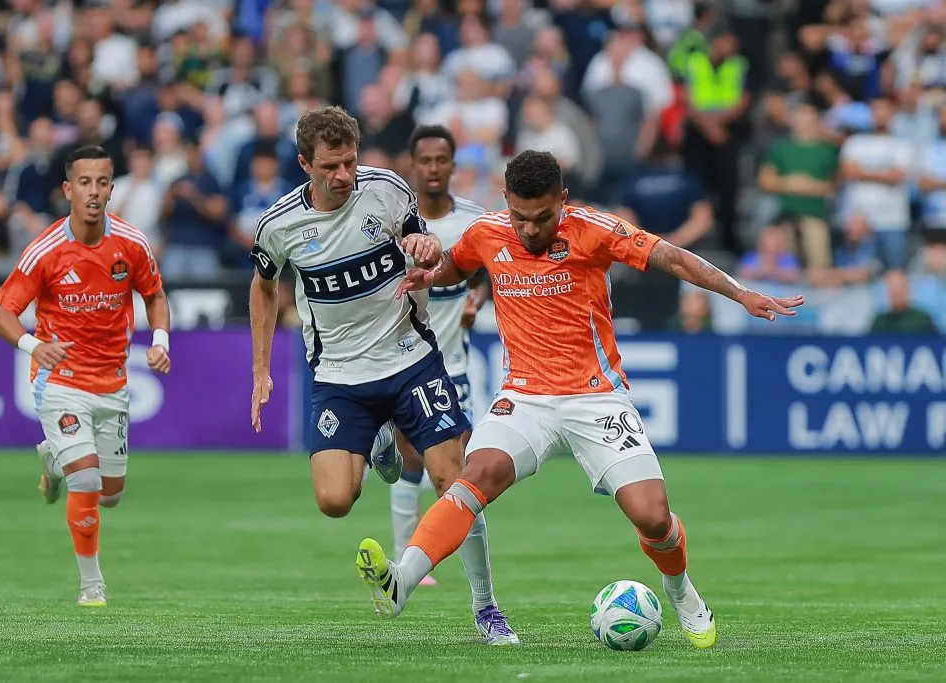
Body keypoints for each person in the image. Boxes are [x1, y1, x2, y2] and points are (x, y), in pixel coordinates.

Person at [355, 150, 805, 648]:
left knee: (653, 516)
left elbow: (671, 256)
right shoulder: (488, 232)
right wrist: (429, 277)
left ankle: (680, 591)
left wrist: (740, 293)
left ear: (562, 201)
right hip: (524, 397)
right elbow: (457, 265)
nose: (529, 230)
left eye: (542, 217)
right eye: (520, 217)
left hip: (597, 399)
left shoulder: (594, 229)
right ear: (506, 201)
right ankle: (402, 581)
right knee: (472, 477)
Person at [248, 107, 519, 644]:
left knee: (455, 482)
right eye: (331, 166)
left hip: (410, 360)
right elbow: (262, 285)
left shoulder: (388, 190)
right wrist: (261, 368)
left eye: (350, 161)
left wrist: (425, 246)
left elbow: (426, 245)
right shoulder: (279, 224)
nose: (344, 175)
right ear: (305, 164)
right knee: (334, 501)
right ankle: (382, 446)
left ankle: (487, 609)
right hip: (338, 375)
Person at [0, 145, 171, 607]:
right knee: (87, 482)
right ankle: (92, 586)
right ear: (68, 189)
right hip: (60, 380)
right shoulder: (46, 250)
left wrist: (160, 340)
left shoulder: (131, 243)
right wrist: (36, 346)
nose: (94, 192)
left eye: (103, 183)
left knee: (111, 495)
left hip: (112, 382)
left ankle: (53, 459)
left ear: (112, 188)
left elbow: (154, 295)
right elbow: (2, 315)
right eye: (85, 183)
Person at [390, 125, 490, 589]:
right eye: (425, 160)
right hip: (405, 360)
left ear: (453, 165)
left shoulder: (473, 220)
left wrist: (478, 298)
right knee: (414, 459)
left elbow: (493, 269)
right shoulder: (393, 220)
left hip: (456, 362)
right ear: (413, 165)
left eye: (441, 160)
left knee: (452, 471)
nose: (433, 168)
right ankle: (404, 555)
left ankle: (417, 556)